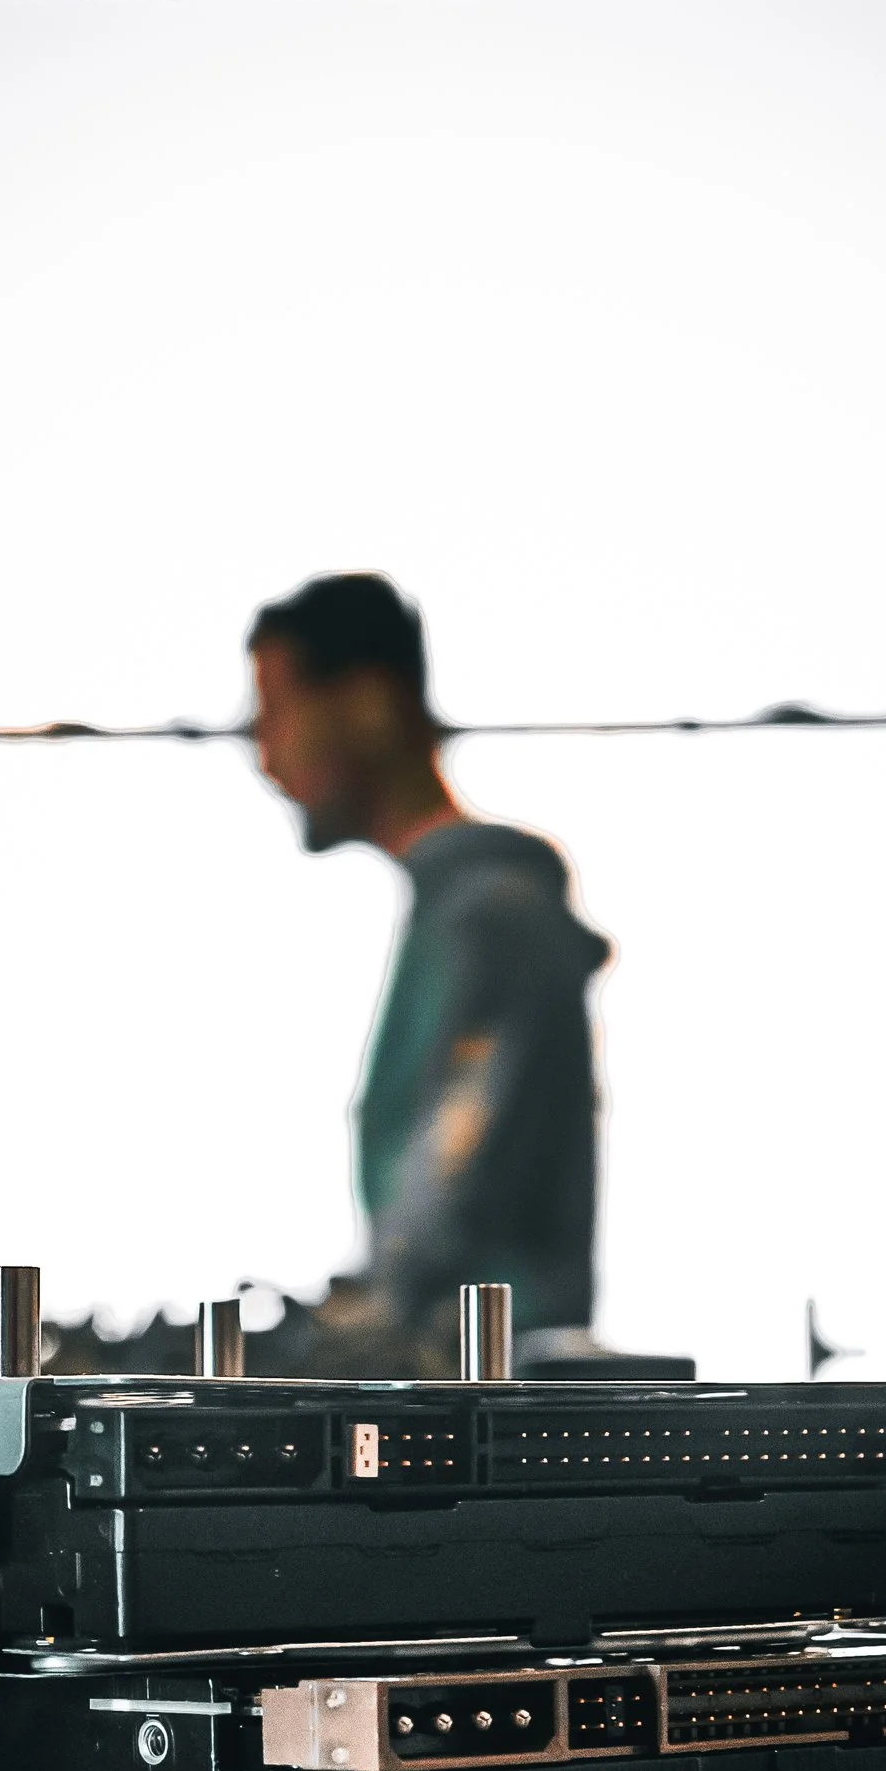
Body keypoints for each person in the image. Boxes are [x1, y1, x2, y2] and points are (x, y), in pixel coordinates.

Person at [248, 572, 607, 1337]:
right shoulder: (461, 912)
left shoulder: (494, 921)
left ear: (370, 704)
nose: (263, 754)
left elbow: (447, 1200)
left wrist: (351, 1326)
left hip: (486, 1400)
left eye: (276, 712)